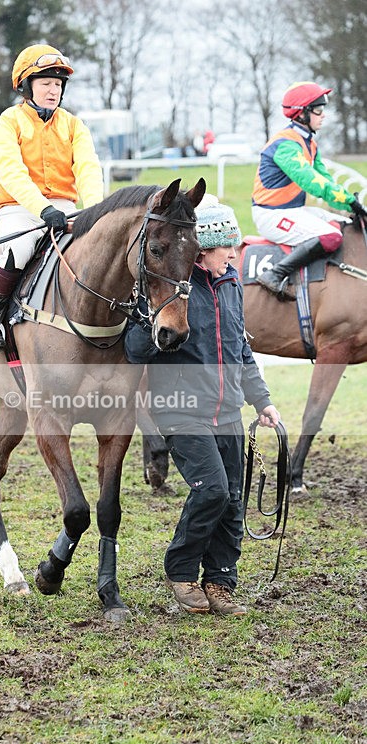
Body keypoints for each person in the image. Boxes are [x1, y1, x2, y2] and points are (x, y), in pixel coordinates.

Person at [124, 199, 280, 616]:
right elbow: (136, 350)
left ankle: (220, 582)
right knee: (211, 489)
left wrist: (261, 400)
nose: (234, 255)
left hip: (227, 410)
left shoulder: (231, 284)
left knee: (232, 499)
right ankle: (180, 570)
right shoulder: (172, 288)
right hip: (181, 409)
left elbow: (239, 348)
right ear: (202, 250)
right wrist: (148, 323)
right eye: (227, 247)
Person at [0, 43, 104, 351]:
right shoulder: (7, 123)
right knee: (19, 248)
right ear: (27, 85)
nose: (53, 90)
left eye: (58, 84)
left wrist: (97, 210)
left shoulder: (74, 125)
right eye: (46, 83)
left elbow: (87, 168)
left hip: (65, 208)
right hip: (19, 209)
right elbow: (11, 172)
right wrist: (43, 209)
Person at [252, 81, 363, 300]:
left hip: (292, 210)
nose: (323, 115)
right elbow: (312, 182)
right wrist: (350, 201)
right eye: (318, 109)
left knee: (346, 225)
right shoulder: (285, 145)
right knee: (331, 236)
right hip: (271, 215)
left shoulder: (309, 143)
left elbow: (326, 179)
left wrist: (352, 206)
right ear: (302, 113)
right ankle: (275, 274)